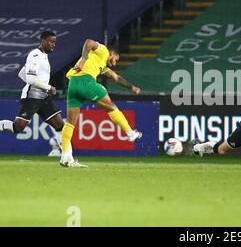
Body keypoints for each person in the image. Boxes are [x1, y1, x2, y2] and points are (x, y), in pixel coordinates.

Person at [60, 39, 142, 168]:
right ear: (112, 53)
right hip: (86, 80)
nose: (114, 63)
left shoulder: (101, 64)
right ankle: (130, 133)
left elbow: (116, 77)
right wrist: (82, 60)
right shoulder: (103, 50)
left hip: (73, 83)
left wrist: (131, 87)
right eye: (115, 59)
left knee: (70, 123)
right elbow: (88, 42)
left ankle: (65, 157)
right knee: (111, 106)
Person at [0, 31, 77, 160]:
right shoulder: (36, 55)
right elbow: (29, 79)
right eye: (50, 41)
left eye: (54, 42)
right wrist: (48, 87)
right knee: (17, 127)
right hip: (32, 96)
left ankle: (67, 159)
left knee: (60, 126)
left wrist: (44, 88)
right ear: (42, 40)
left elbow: (21, 73)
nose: (53, 45)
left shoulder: (43, 56)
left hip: (43, 97)